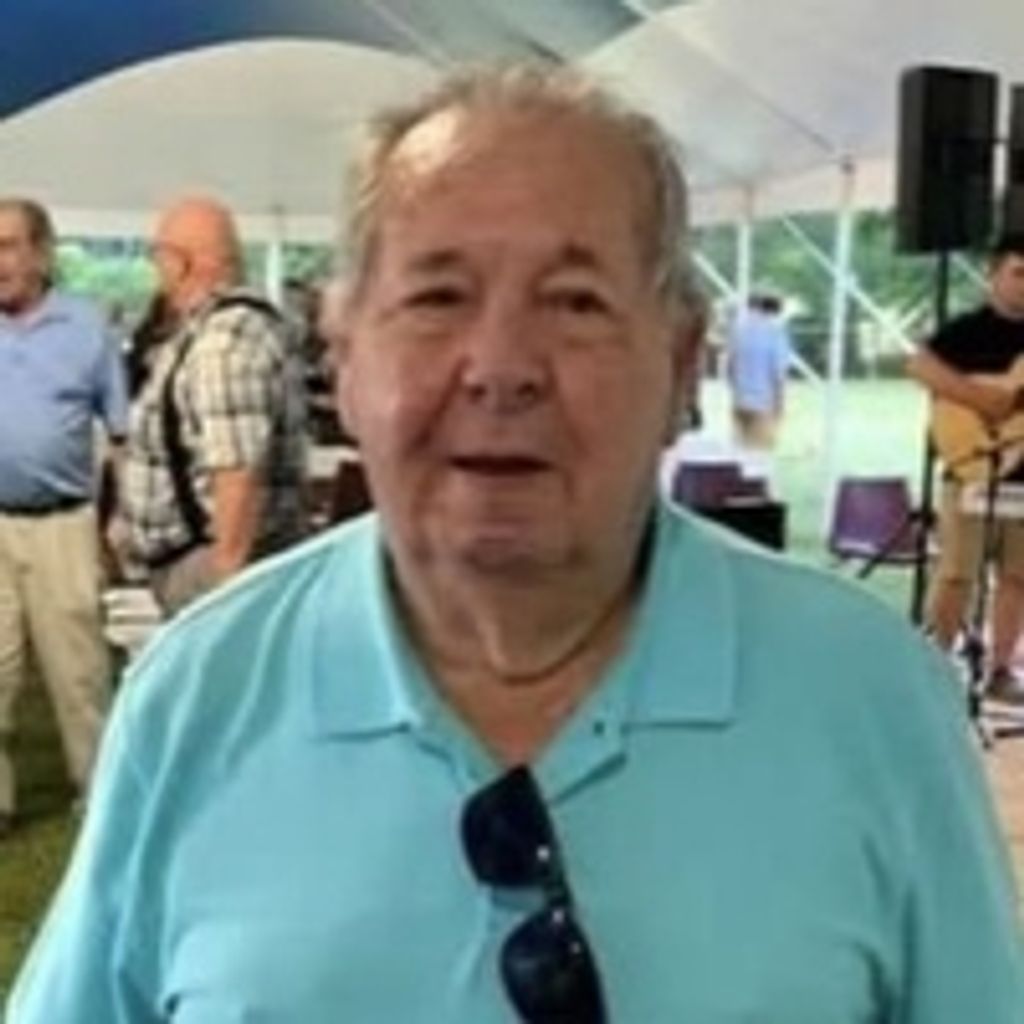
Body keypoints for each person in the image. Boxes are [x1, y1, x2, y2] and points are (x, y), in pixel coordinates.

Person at [9, 67, 1024, 1023]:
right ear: (346, 355)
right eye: (437, 297)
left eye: (575, 301)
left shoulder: (872, 700)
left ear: (681, 362)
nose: (500, 367)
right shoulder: (200, 693)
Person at [111, 196, 308, 615]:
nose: (156, 270)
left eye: (159, 256)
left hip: (214, 567)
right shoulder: (218, 330)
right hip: (205, 561)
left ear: (181, 263)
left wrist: (224, 600)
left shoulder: (224, 340)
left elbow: (237, 473)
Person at [0, 197, 128, 837]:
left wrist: (121, 522)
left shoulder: (86, 327)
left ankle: (100, 795)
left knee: (80, 672)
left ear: (41, 253)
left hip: (64, 524)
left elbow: (124, 433)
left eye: (7, 246)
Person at [909, 233, 1024, 705]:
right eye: (1018, 273)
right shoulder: (967, 330)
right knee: (957, 574)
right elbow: (920, 366)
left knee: (1018, 576)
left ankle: (1001, 669)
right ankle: (934, 665)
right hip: (970, 469)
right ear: (994, 275)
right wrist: (985, 400)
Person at [726, 292, 793, 450]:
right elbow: (778, 373)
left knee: (739, 452)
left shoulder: (739, 330)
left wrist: (737, 391)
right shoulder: (776, 332)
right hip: (764, 403)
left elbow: (730, 366)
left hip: (740, 401)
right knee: (759, 455)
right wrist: (780, 405)